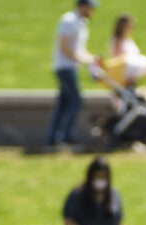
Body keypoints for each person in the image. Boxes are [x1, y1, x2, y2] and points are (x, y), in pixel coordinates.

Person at [46, 0, 97, 148]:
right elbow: (64, 47)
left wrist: (91, 59)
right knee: (76, 101)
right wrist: (82, 59)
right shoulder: (69, 20)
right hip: (65, 68)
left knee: (63, 104)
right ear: (82, 6)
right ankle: (67, 137)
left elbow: (79, 49)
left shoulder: (81, 23)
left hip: (71, 68)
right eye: (89, 7)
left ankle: (52, 139)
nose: (91, 11)